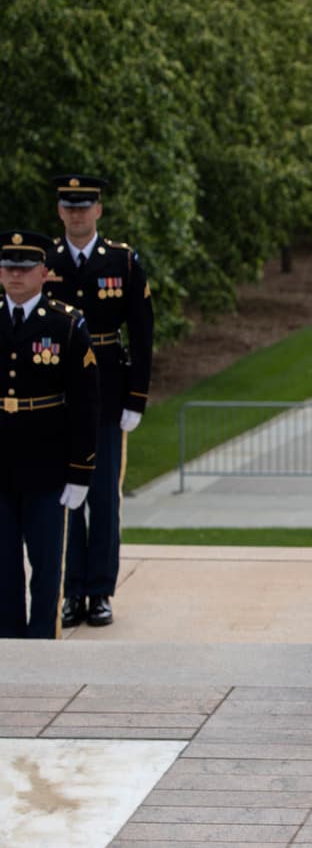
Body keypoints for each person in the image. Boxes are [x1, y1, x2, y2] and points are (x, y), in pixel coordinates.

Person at [44, 174, 154, 628]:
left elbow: (143, 332)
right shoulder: (43, 261)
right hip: (58, 398)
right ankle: (72, 592)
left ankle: (100, 590)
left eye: (84, 206)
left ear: (99, 210)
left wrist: (137, 396)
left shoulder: (122, 262)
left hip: (108, 392)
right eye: (69, 206)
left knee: (104, 497)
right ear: (59, 211)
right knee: (67, 497)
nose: (76, 213)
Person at [0, 231, 98, 639]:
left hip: (46, 463)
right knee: (3, 566)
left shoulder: (66, 324)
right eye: (8, 267)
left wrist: (80, 472)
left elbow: (85, 403)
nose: (16, 275)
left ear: (44, 273)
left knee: (45, 568)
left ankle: (41, 642)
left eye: (25, 269)